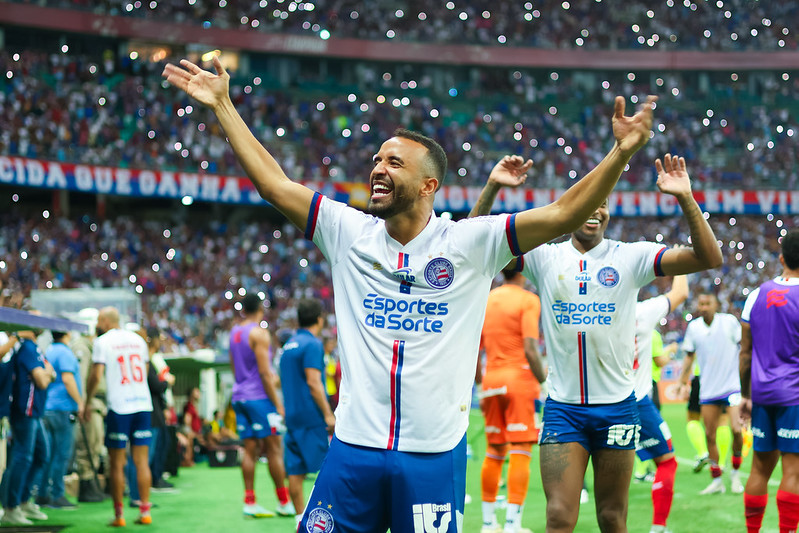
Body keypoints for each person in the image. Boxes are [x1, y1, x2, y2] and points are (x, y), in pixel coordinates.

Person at [163, 54, 656, 532]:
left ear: (427, 185)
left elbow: (564, 213)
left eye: (394, 163)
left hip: (433, 455)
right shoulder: (346, 231)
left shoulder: (470, 243)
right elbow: (274, 184)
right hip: (353, 451)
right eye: (377, 159)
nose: (378, 167)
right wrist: (224, 106)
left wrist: (622, 152)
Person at [471, 153, 722, 532]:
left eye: (601, 203)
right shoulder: (544, 257)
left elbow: (709, 257)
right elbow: (473, 243)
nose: (593, 210)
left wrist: (686, 198)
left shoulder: (631, 257)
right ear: (570, 210)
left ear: (608, 211)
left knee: (611, 517)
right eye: (585, 203)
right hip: (563, 411)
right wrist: (491, 187)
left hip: (618, 410)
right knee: (558, 516)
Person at [476, 264, 544, 533]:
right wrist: (544, 381)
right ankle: (513, 524)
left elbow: (474, 350)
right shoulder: (528, 300)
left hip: (491, 380)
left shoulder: (486, 299)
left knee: (494, 450)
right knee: (521, 449)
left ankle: (487, 522)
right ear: (524, 272)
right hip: (519, 380)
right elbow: (530, 346)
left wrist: (481, 385)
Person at [740, 229, 799, 533]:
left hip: (762, 395)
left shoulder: (756, 295)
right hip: (794, 397)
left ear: (781, 257)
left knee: (759, 469)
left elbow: (745, 353)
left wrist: (745, 396)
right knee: (793, 471)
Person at [84, 308, 153, 527]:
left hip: (119, 406)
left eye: (98, 320)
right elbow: (146, 367)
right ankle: (145, 512)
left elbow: (96, 374)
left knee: (117, 462)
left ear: (104, 321)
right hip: (143, 403)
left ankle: (119, 515)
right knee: (142, 461)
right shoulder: (138, 340)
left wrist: (87, 399)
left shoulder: (102, 341)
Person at [632, 274, 688, 533]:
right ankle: (658, 526)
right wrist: (682, 265)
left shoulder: (586, 317)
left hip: (594, 403)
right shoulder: (642, 314)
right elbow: (680, 292)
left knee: (608, 468)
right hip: (637, 400)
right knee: (667, 461)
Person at [228, 293, 291, 518]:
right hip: (260, 399)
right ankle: (284, 502)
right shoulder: (259, 333)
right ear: (260, 309)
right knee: (274, 448)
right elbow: (265, 373)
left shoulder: (234, 332)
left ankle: (250, 501)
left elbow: (234, 367)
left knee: (249, 449)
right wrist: (278, 404)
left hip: (240, 396)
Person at [678, 293, 744, 495]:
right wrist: (682, 381)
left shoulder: (729, 322)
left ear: (716, 305)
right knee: (709, 434)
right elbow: (689, 356)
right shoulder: (694, 327)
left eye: (708, 303)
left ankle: (735, 472)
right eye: (701, 303)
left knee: (736, 430)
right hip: (708, 389)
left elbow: (744, 348)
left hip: (732, 386)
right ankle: (716, 480)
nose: (704, 306)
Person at [279, 298, 336, 528]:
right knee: (327, 471)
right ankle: (322, 521)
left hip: (291, 418)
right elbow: (314, 382)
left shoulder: (288, 346)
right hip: (310, 417)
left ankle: (300, 520)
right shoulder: (312, 344)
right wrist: (328, 415)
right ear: (319, 319)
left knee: (295, 471)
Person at [0, 326, 54, 525]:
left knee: (41, 455)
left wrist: (46, 373)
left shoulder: (33, 347)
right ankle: (11, 507)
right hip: (24, 410)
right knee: (22, 457)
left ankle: (22, 501)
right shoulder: (26, 347)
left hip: (34, 411)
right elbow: (42, 380)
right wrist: (46, 374)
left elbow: (50, 373)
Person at [127, 327, 175, 507]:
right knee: (141, 457)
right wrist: (166, 382)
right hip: (144, 411)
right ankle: (137, 496)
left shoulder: (145, 359)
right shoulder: (142, 358)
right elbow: (154, 385)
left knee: (142, 456)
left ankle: (139, 496)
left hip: (145, 410)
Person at [39, 330, 83, 509]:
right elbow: (67, 378)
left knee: (48, 454)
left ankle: (42, 494)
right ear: (67, 333)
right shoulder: (65, 352)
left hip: (48, 407)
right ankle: (57, 494)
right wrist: (79, 402)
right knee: (61, 454)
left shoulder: (49, 350)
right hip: (63, 409)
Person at [71, 307, 106, 503]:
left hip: (95, 402)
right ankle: (86, 486)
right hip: (90, 403)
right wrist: (83, 404)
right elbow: (81, 376)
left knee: (94, 445)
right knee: (87, 446)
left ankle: (91, 485)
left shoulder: (90, 346)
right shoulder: (82, 346)